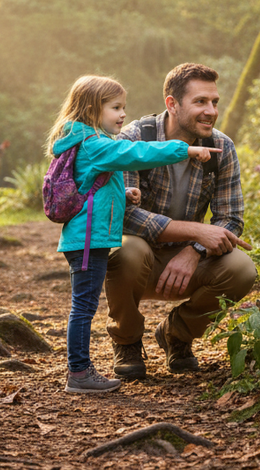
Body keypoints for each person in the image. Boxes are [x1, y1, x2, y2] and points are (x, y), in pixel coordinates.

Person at [47, 75, 221, 394]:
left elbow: (91, 185)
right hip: (89, 240)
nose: (123, 114)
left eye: (123, 107)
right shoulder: (94, 143)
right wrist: (186, 151)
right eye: (115, 108)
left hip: (91, 237)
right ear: (91, 109)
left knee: (83, 305)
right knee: (83, 307)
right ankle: (79, 373)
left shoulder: (88, 142)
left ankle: (80, 370)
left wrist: (124, 192)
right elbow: (137, 154)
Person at [107, 63, 256, 379]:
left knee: (242, 268)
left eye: (214, 102)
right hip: (140, 259)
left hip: (189, 262)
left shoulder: (221, 147)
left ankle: (177, 335)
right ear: (172, 104)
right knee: (124, 249)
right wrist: (198, 231)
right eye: (200, 102)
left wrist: (194, 251)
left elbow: (230, 219)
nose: (211, 111)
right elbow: (124, 215)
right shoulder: (134, 138)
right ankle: (127, 341)